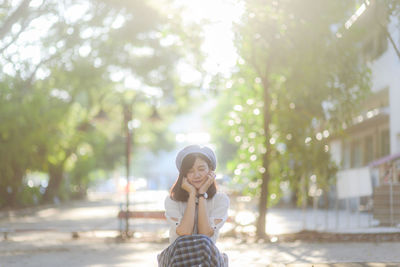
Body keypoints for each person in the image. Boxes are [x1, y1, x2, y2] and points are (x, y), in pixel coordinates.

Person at [158, 145, 230, 267]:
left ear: (211, 170)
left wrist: (201, 194)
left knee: (204, 243)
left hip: (207, 258)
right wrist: (192, 195)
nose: (196, 175)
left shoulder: (221, 200)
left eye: (201, 169)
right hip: (177, 257)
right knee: (186, 243)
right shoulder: (172, 200)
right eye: (190, 171)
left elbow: (205, 234)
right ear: (183, 175)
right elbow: (184, 232)